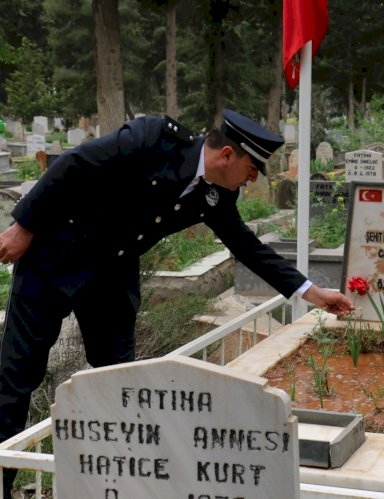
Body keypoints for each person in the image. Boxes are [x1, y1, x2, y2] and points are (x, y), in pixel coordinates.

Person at [0, 109, 354, 495]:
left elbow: (247, 247)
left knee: (121, 384)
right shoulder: (153, 138)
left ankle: (116, 485)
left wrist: (311, 293)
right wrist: (24, 225)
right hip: (52, 261)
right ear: (226, 156)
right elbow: (73, 163)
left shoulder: (216, 195)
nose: (253, 179)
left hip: (110, 280)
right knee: (16, 379)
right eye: (252, 169)